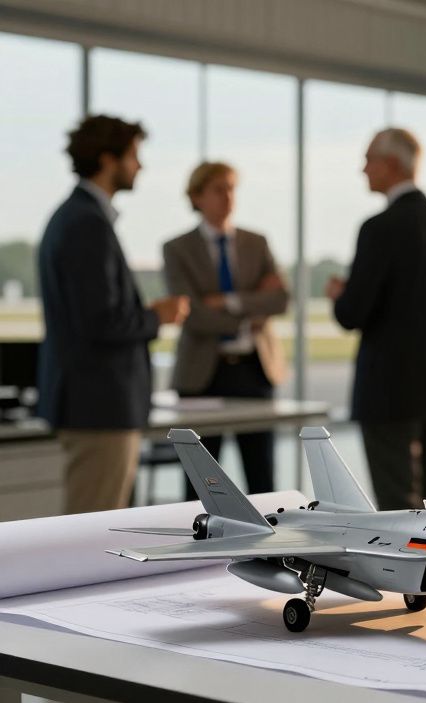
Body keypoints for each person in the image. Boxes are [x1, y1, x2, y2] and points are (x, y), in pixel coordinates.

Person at [37, 115, 190, 514]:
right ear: (108, 160)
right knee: (92, 533)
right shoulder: (87, 223)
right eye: (134, 156)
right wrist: (157, 316)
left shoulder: (77, 217)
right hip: (99, 407)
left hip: (94, 405)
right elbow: (102, 322)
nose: (140, 166)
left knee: (95, 525)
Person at [327, 128, 426, 511]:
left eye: (368, 159)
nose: (362, 169)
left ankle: (409, 573)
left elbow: (352, 313)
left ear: (391, 165)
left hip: (388, 389)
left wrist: (341, 296)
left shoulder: (379, 228)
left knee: (397, 502)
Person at [162, 162, 289, 498]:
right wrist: (250, 314)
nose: (228, 196)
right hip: (203, 374)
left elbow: (280, 300)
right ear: (197, 196)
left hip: (254, 369)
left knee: (263, 477)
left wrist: (228, 300)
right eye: (219, 189)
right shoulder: (177, 248)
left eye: (232, 188)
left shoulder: (256, 242)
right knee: (200, 484)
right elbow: (192, 316)